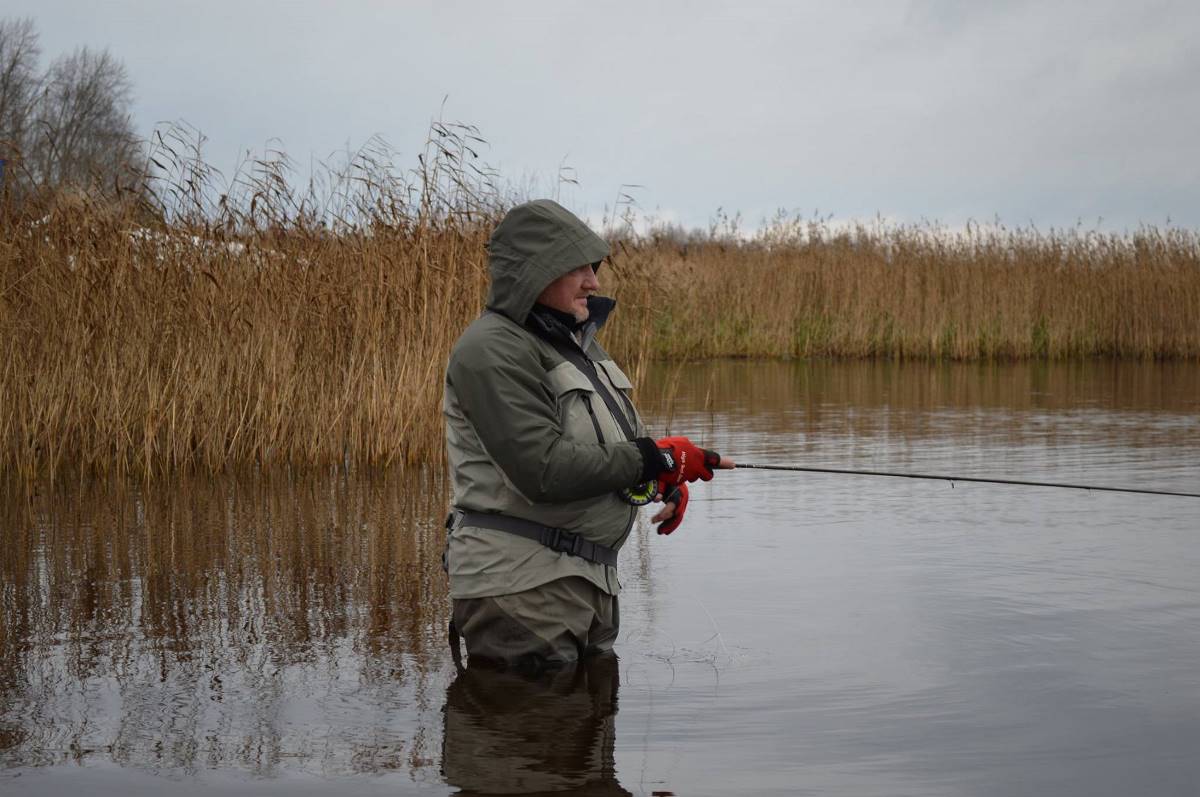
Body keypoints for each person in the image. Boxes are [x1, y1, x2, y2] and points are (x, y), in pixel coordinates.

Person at [443, 198, 730, 670]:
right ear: (535, 273)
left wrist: (665, 479)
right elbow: (544, 470)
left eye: (592, 267)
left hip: (586, 587)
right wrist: (655, 459)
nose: (593, 281)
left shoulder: (576, 343)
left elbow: (618, 449)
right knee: (531, 738)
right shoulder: (492, 348)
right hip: (524, 591)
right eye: (576, 268)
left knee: (583, 738)